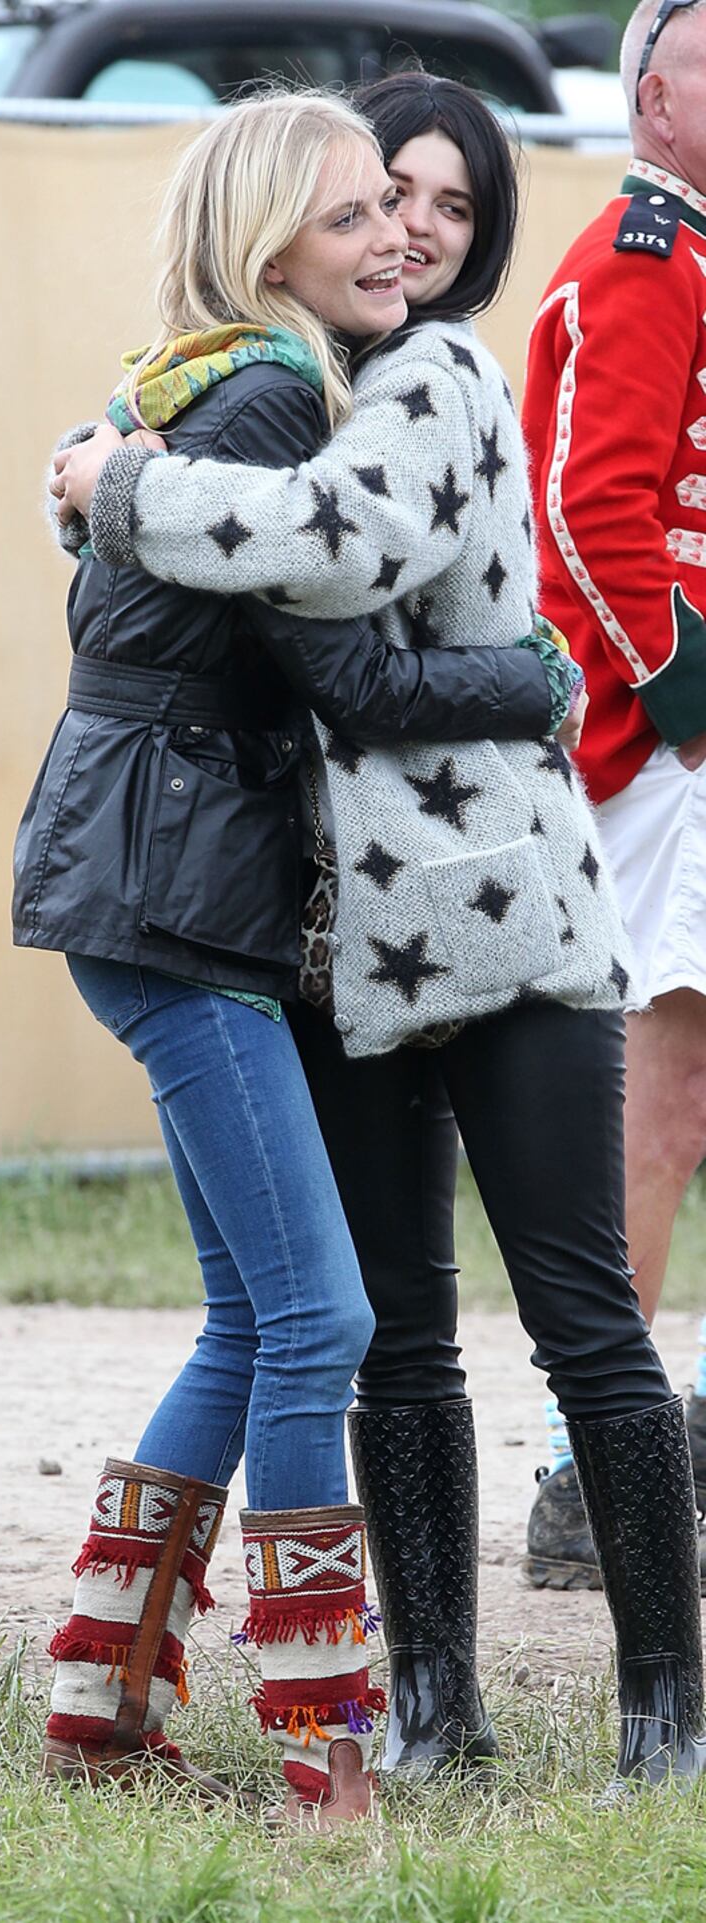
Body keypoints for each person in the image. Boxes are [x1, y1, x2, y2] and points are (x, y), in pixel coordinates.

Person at [52, 74, 706, 1793]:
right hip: (342, 941)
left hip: (507, 923)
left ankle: (666, 1720)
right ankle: (432, 1715)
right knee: (391, 1337)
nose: (411, 229)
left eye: (442, 209)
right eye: (374, 198)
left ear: (478, 243)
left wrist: (118, 485)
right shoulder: (294, 389)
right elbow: (301, 634)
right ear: (287, 227)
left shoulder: (436, 379)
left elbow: (329, 575)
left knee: (579, 1313)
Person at [521, 0, 706, 1593]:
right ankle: (598, 1472)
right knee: (662, 1110)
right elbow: (595, 507)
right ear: (653, 95)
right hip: (667, 759)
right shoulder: (647, 253)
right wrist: (690, 703)